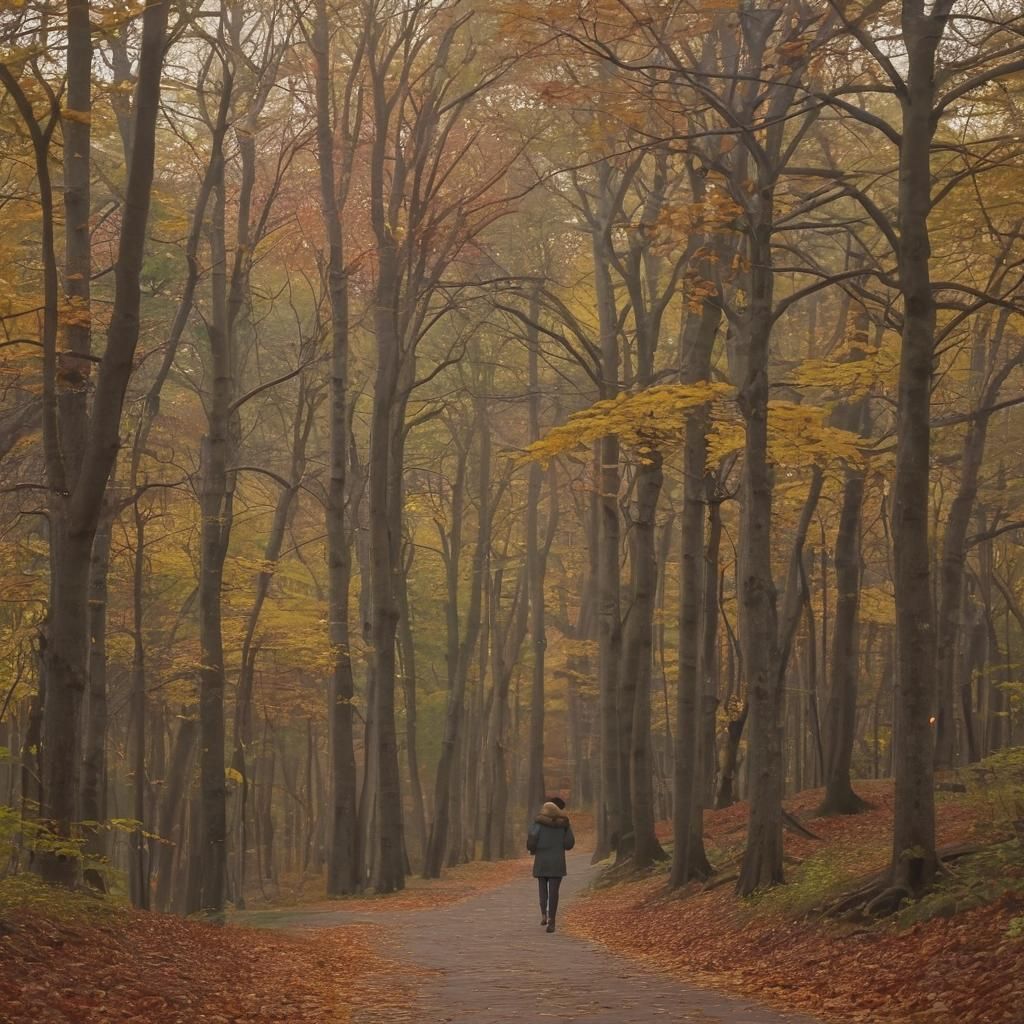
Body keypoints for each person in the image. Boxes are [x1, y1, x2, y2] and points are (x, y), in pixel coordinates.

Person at [527, 796, 575, 933]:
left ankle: (543, 914)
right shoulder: (564, 824)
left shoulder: (538, 823)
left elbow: (531, 839)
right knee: (554, 892)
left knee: (543, 888)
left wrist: (533, 849)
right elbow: (569, 843)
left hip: (541, 860)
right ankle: (552, 920)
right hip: (557, 861)